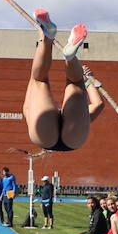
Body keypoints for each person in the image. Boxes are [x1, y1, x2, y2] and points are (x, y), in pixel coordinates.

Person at [23, 10, 105, 156]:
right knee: (39, 80)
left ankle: (70, 56)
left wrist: (87, 81)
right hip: (42, 136)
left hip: (74, 140)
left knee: (75, 82)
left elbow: (98, 104)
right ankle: (46, 36)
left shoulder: (85, 116)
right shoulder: (36, 113)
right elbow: (28, 106)